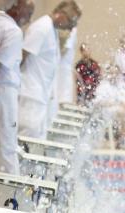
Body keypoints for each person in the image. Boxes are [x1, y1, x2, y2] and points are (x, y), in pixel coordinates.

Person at [18, 0, 82, 139]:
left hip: (41, 94)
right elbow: (21, 56)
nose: (70, 27)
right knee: (27, 138)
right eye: (70, 21)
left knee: (38, 138)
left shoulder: (51, 29)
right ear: (60, 13)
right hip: (30, 93)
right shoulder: (42, 27)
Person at [0, 0, 34, 176]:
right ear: (18, 8)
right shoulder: (13, 31)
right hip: (3, 93)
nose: (28, 20)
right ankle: (8, 197)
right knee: (7, 147)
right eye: (28, 14)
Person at [57, 27, 79, 106]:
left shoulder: (71, 30)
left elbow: (64, 49)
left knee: (63, 97)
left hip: (63, 67)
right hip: (60, 66)